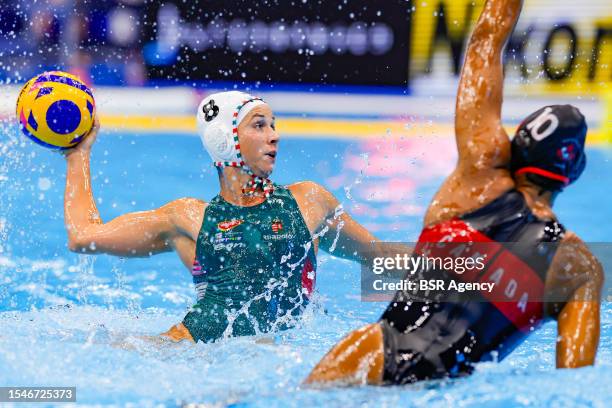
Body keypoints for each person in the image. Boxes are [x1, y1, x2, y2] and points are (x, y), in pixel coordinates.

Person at [305, 0, 603, 385]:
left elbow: (485, 41)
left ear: (517, 148)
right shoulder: (578, 271)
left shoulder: (478, 178)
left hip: (369, 360)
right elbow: (575, 387)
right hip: (444, 394)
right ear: (574, 172)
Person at [63, 91, 398, 343]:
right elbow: (83, 236)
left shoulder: (309, 202)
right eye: (259, 125)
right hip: (189, 355)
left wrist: (449, 269)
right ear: (225, 140)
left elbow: (380, 256)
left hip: (278, 357)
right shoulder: (188, 217)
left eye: (273, 125)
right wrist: (79, 153)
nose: (274, 135)